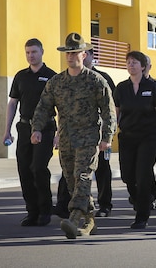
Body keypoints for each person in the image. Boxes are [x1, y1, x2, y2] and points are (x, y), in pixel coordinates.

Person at [31, 32, 116, 239]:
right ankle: (90, 219)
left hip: (88, 138)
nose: (70, 57)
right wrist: (37, 129)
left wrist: (107, 137)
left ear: (84, 54)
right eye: (67, 53)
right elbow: (43, 107)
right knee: (71, 180)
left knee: (83, 176)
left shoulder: (96, 81)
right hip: (66, 138)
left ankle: (75, 217)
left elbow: (108, 110)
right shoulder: (57, 82)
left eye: (75, 53)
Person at [55, 47, 117, 219]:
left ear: (88, 56)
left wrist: (107, 135)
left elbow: (111, 108)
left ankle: (104, 204)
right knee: (71, 173)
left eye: (83, 53)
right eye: (70, 53)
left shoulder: (101, 79)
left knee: (102, 170)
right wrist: (58, 133)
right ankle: (66, 205)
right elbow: (63, 110)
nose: (74, 56)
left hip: (96, 135)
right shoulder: (66, 80)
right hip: (72, 136)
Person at [114, 51, 156, 229]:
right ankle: (138, 198)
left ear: (142, 66)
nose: (131, 65)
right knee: (127, 175)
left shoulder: (153, 87)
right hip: (127, 136)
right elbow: (116, 113)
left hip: (148, 136)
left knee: (142, 173)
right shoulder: (121, 88)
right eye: (129, 62)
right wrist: (107, 136)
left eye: (135, 63)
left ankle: (142, 215)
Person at [3, 38, 57, 227]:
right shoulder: (20, 76)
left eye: (34, 52)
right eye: (27, 52)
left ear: (42, 52)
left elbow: (61, 107)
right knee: (25, 170)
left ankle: (45, 210)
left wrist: (58, 134)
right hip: (24, 128)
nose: (30, 56)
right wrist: (7, 131)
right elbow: (13, 103)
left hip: (46, 129)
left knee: (38, 168)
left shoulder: (52, 76)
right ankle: (32, 212)